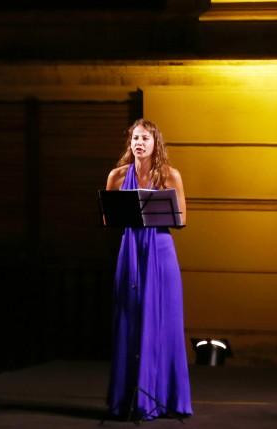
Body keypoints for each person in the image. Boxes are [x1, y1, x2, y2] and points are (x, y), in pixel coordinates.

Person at [105, 119, 192, 421]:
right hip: (130, 250)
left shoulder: (170, 175)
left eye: (145, 138)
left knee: (164, 321)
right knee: (129, 319)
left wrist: (157, 204)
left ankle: (164, 397)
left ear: (156, 143)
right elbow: (109, 218)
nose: (139, 143)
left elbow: (181, 219)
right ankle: (128, 397)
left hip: (160, 249)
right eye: (135, 139)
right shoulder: (117, 176)